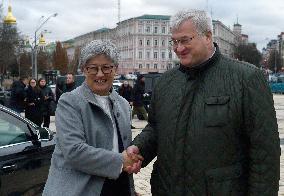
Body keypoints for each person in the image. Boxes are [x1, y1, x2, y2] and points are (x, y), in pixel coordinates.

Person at [127, 9, 280, 195]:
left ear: (207, 36)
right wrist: (139, 148)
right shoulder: (166, 82)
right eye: (174, 41)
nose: (178, 48)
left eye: (185, 40)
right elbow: (155, 128)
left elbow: (265, 154)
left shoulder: (247, 78)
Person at [43, 40, 143, 196]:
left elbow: (123, 147)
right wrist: (121, 161)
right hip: (81, 189)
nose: (100, 74)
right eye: (93, 68)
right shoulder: (69, 102)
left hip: (117, 186)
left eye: (106, 68)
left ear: (115, 69)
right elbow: (74, 151)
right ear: (84, 70)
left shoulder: (123, 104)